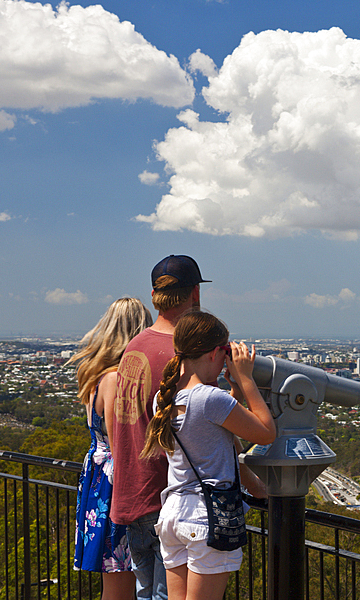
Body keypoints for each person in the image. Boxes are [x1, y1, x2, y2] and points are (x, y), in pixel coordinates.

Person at [141, 311, 276, 600]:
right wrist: (247, 379)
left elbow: (206, 429)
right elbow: (266, 432)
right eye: (225, 352)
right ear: (216, 352)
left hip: (173, 516)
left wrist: (234, 393)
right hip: (207, 519)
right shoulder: (210, 399)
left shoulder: (163, 399)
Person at [108, 255, 209, 600]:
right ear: (195, 293)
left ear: (154, 296)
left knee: (146, 593)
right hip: (167, 498)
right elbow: (199, 428)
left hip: (131, 492)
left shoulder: (135, 346)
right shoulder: (183, 352)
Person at [72, 297, 152, 600]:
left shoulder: (94, 377)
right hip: (120, 488)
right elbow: (125, 447)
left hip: (98, 482)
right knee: (122, 585)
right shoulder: (117, 379)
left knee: (116, 584)